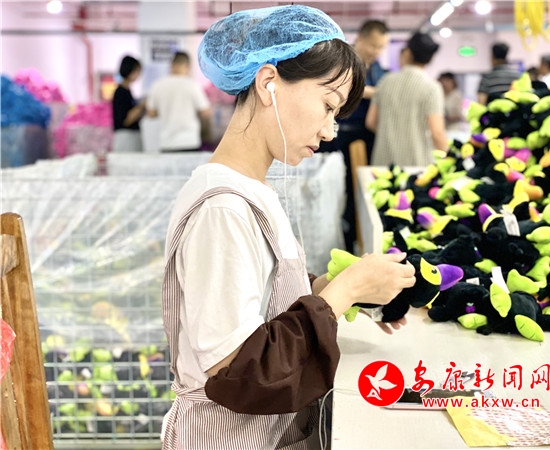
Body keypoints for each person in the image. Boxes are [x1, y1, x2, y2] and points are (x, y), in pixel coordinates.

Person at [160, 5, 416, 449]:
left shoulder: (252, 190)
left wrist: (331, 289)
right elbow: (238, 372)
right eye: (328, 106)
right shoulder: (223, 209)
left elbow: (259, 299)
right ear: (268, 84)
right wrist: (341, 295)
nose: (330, 131)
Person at [319, 19, 390, 252]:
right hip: (337, 138)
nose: (376, 51)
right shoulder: (342, 60)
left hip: (366, 138)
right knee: (333, 190)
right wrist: (378, 92)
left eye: (381, 47)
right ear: (360, 38)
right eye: (373, 45)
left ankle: (355, 241)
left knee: (359, 193)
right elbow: (342, 88)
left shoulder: (378, 70)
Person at [366, 32, 447, 168]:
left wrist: (391, 134)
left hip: (383, 165)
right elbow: (437, 133)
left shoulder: (385, 81)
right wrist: (448, 158)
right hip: (417, 166)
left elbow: (371, 122)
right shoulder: (432, 88)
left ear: (408, 52)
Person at [146, 51, 212, 152]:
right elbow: (206, 112)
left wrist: (166, 110)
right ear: (188, 66)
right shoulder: (192, 85)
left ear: (172, 65)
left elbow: (151, 113)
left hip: (166, 143)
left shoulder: (157, 85)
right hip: (189, 141)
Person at [112, 55, 145, 153]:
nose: (139, 75)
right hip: (126, 138)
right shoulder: (120, 93)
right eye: (138, 71)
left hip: (131, 137)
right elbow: (126, 119)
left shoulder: (128, 91)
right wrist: (141, 106)